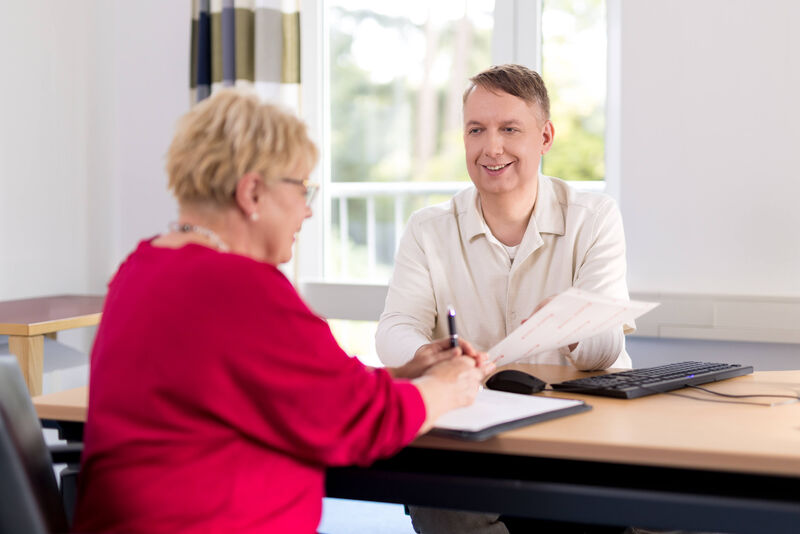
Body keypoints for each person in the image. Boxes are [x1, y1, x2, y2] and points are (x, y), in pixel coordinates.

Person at [72, 89, 493, 534]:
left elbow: (291, 390)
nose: (308, 210)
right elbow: (362, 423)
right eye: (302, 188)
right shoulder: (239, 287)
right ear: (252, 192)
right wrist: (446, 387)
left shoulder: (141, 267)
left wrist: (404, 375)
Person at [376, 64, 635, 533]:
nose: (490, 147)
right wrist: (425, 355)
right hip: (476, 435)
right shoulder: (428, 228)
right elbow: (394, 329)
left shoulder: (594, 218)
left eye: (509, 129)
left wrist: (571, 324)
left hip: (581, 434)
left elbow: (606, 349)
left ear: (545, 136)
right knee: (439, 506)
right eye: (477, 130)